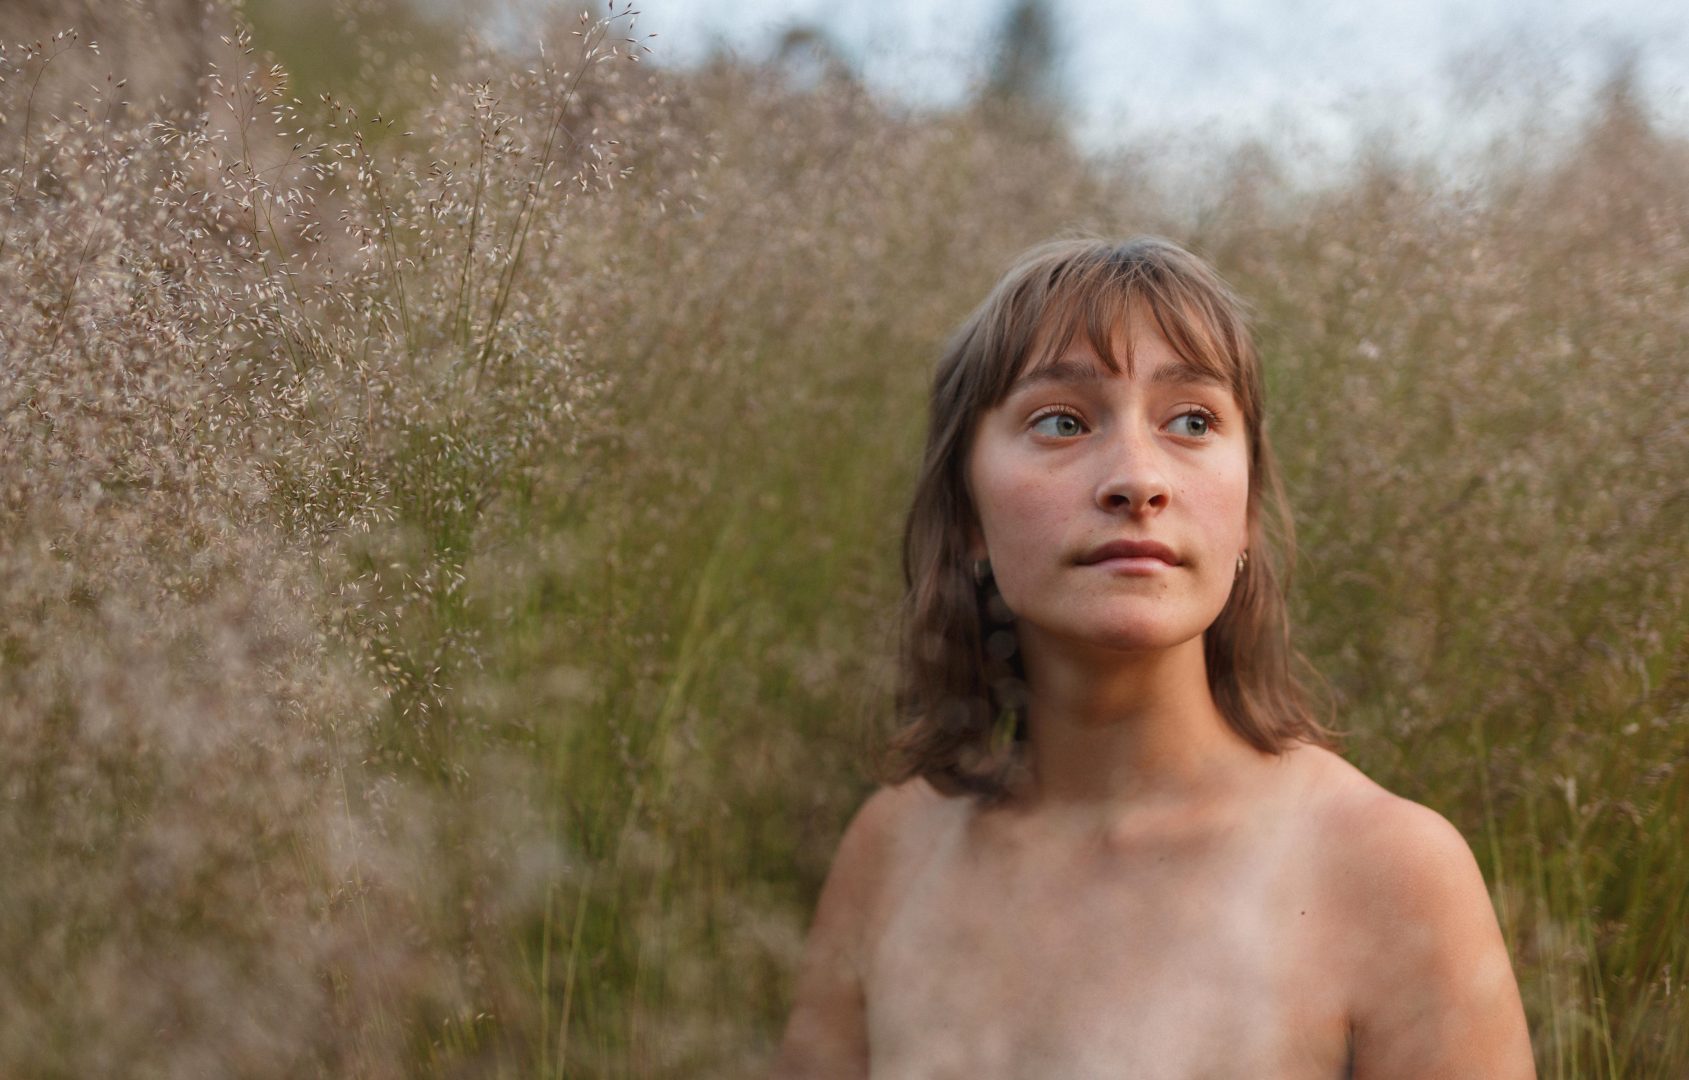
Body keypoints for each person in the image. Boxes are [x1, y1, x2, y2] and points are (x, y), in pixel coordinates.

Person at [770, 237, 1536, 1078]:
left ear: (1244, 511)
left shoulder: (1390, 870)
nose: (1137, 479)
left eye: (1192, 421)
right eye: (1060, 421)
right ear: (965, 518)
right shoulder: (896, 845)